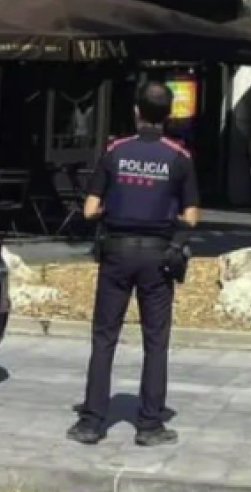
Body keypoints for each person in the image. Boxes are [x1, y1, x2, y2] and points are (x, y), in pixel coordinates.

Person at [67, 81, 200, 448]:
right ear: (168, 114)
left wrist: (119, 206)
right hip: (158, 256)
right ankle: (150, 425)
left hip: (117, 252)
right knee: (156, 342)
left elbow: (90, 210)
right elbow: (191, 216)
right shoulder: (179, 157)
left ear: (137, 111)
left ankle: (91, 422)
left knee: (104, 337)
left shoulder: (114, 151)